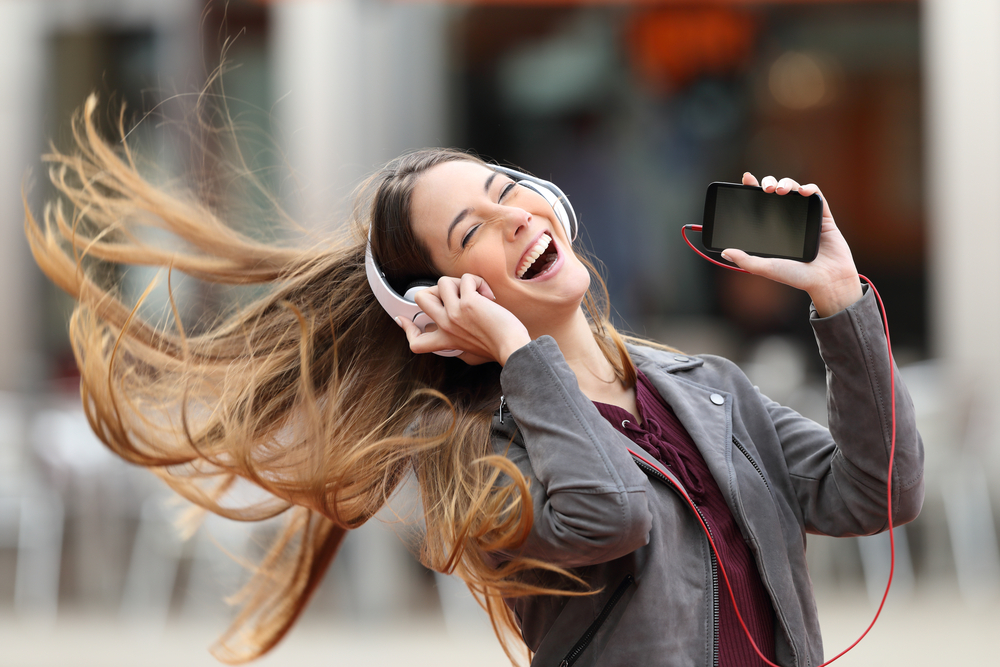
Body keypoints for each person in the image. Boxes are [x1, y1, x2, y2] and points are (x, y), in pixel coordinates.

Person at [26, 95, 923, 667]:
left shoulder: (708, 387)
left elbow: (874, 491)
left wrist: (841, 301)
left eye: (507, 189)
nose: (514, 216)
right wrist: (518, 354)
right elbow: (611, 516)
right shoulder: (478, 457)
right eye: (470, 233)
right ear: (445, 301)